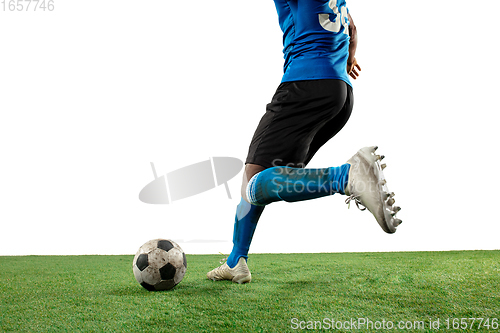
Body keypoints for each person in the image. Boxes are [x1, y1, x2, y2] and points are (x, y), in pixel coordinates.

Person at [207, 0, 401, 284]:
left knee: (254, 181)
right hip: (339, 91)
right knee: (261, 178)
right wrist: (349, 57)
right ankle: (237, 261)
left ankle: (346, 176)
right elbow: (352, 27)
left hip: (305, 83)